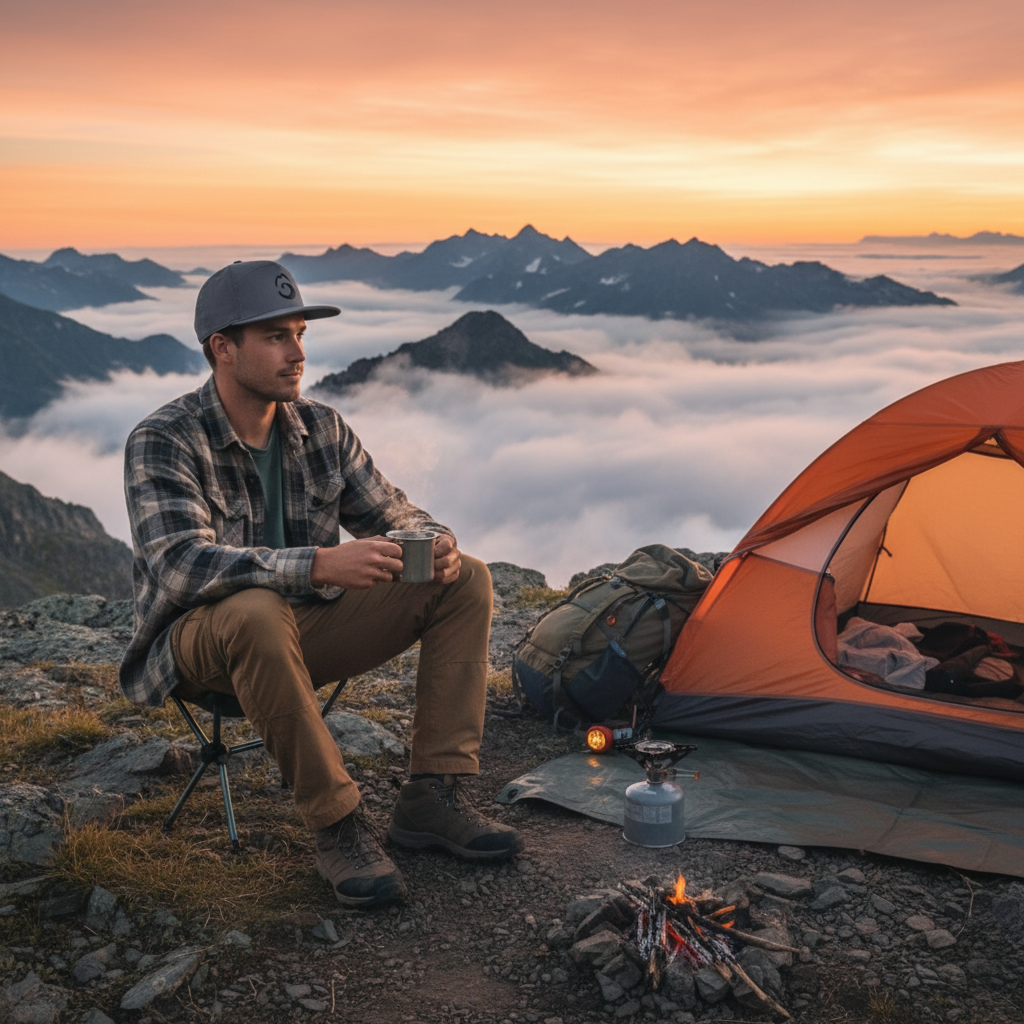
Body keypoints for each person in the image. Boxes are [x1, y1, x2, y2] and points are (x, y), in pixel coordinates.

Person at [119, 259, 522, 908]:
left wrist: (434, 540)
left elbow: (395, 512)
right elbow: (181, 565)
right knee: (254, 609)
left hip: (301, 631)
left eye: (301, 333)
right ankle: (337, 827)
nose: (298, 353)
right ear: (223, 349)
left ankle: (432, 797)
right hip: (201, 648)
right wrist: (316, 564)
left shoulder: (321, 429)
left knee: (466, 578)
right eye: (277, 336)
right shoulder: (164, 440)